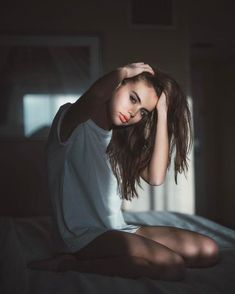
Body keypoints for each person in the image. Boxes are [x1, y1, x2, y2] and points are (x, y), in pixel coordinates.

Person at [28, 62, 219, 280]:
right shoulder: (71, 121)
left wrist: (162, 111)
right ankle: (72, 263)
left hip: (117, 229)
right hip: (80, 236)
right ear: (118, 85)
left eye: (143, 112)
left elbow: (156, 178)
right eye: (133, 99)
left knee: (208, 250)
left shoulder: (120, 141)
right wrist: (126, 71)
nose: (133, 113)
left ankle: (129, 260)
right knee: (172, 266)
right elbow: (96, 94)